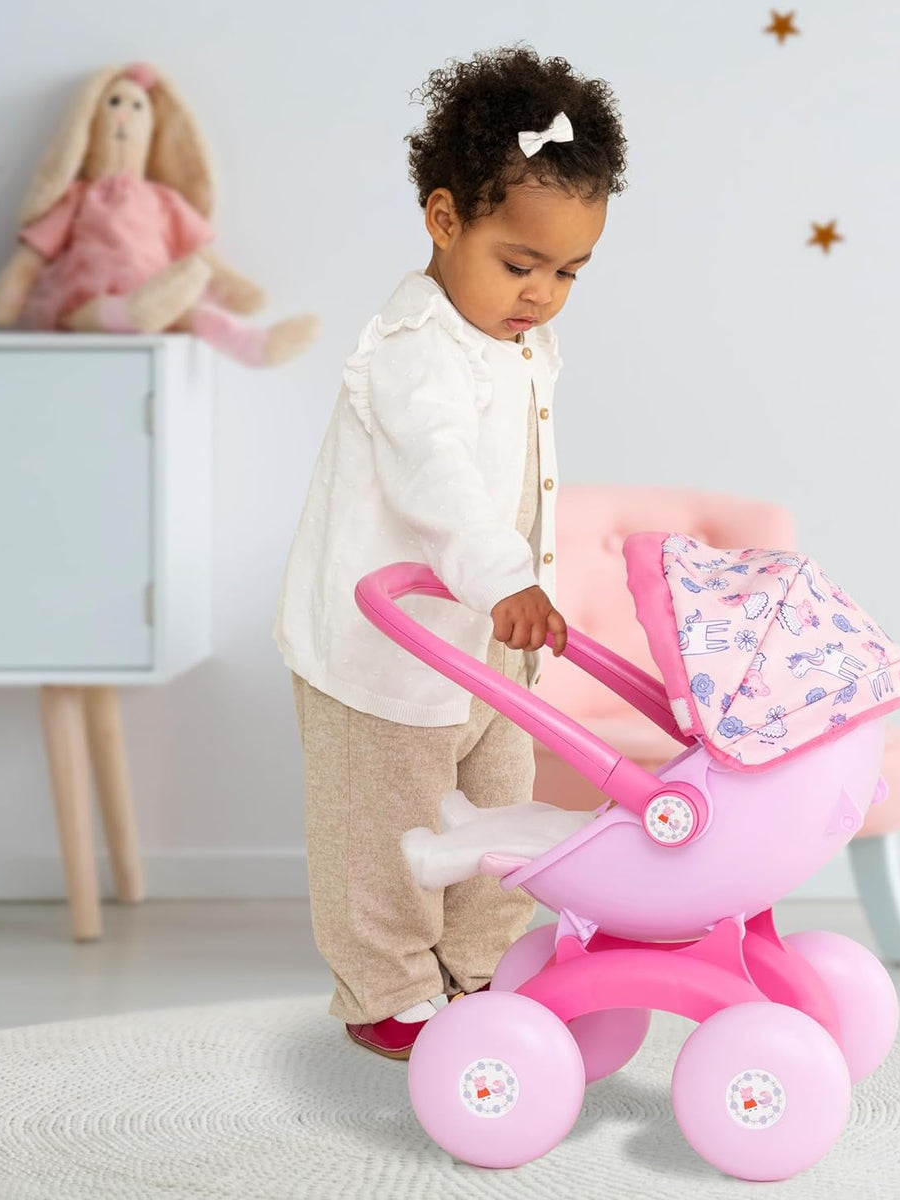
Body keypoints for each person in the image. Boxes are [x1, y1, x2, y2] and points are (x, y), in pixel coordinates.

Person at [274, 44, 628, 1058]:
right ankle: (386, 991)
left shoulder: (515, 342)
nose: (544, 293)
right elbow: (443, 482)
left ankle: (482, 975)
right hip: (381, 655)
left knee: (495, 821)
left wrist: (525, 593)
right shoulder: (412, 351)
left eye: (568, 271)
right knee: (382, 835)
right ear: (443, 220)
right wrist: (508, 576)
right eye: (521, 264)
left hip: (484, 648)